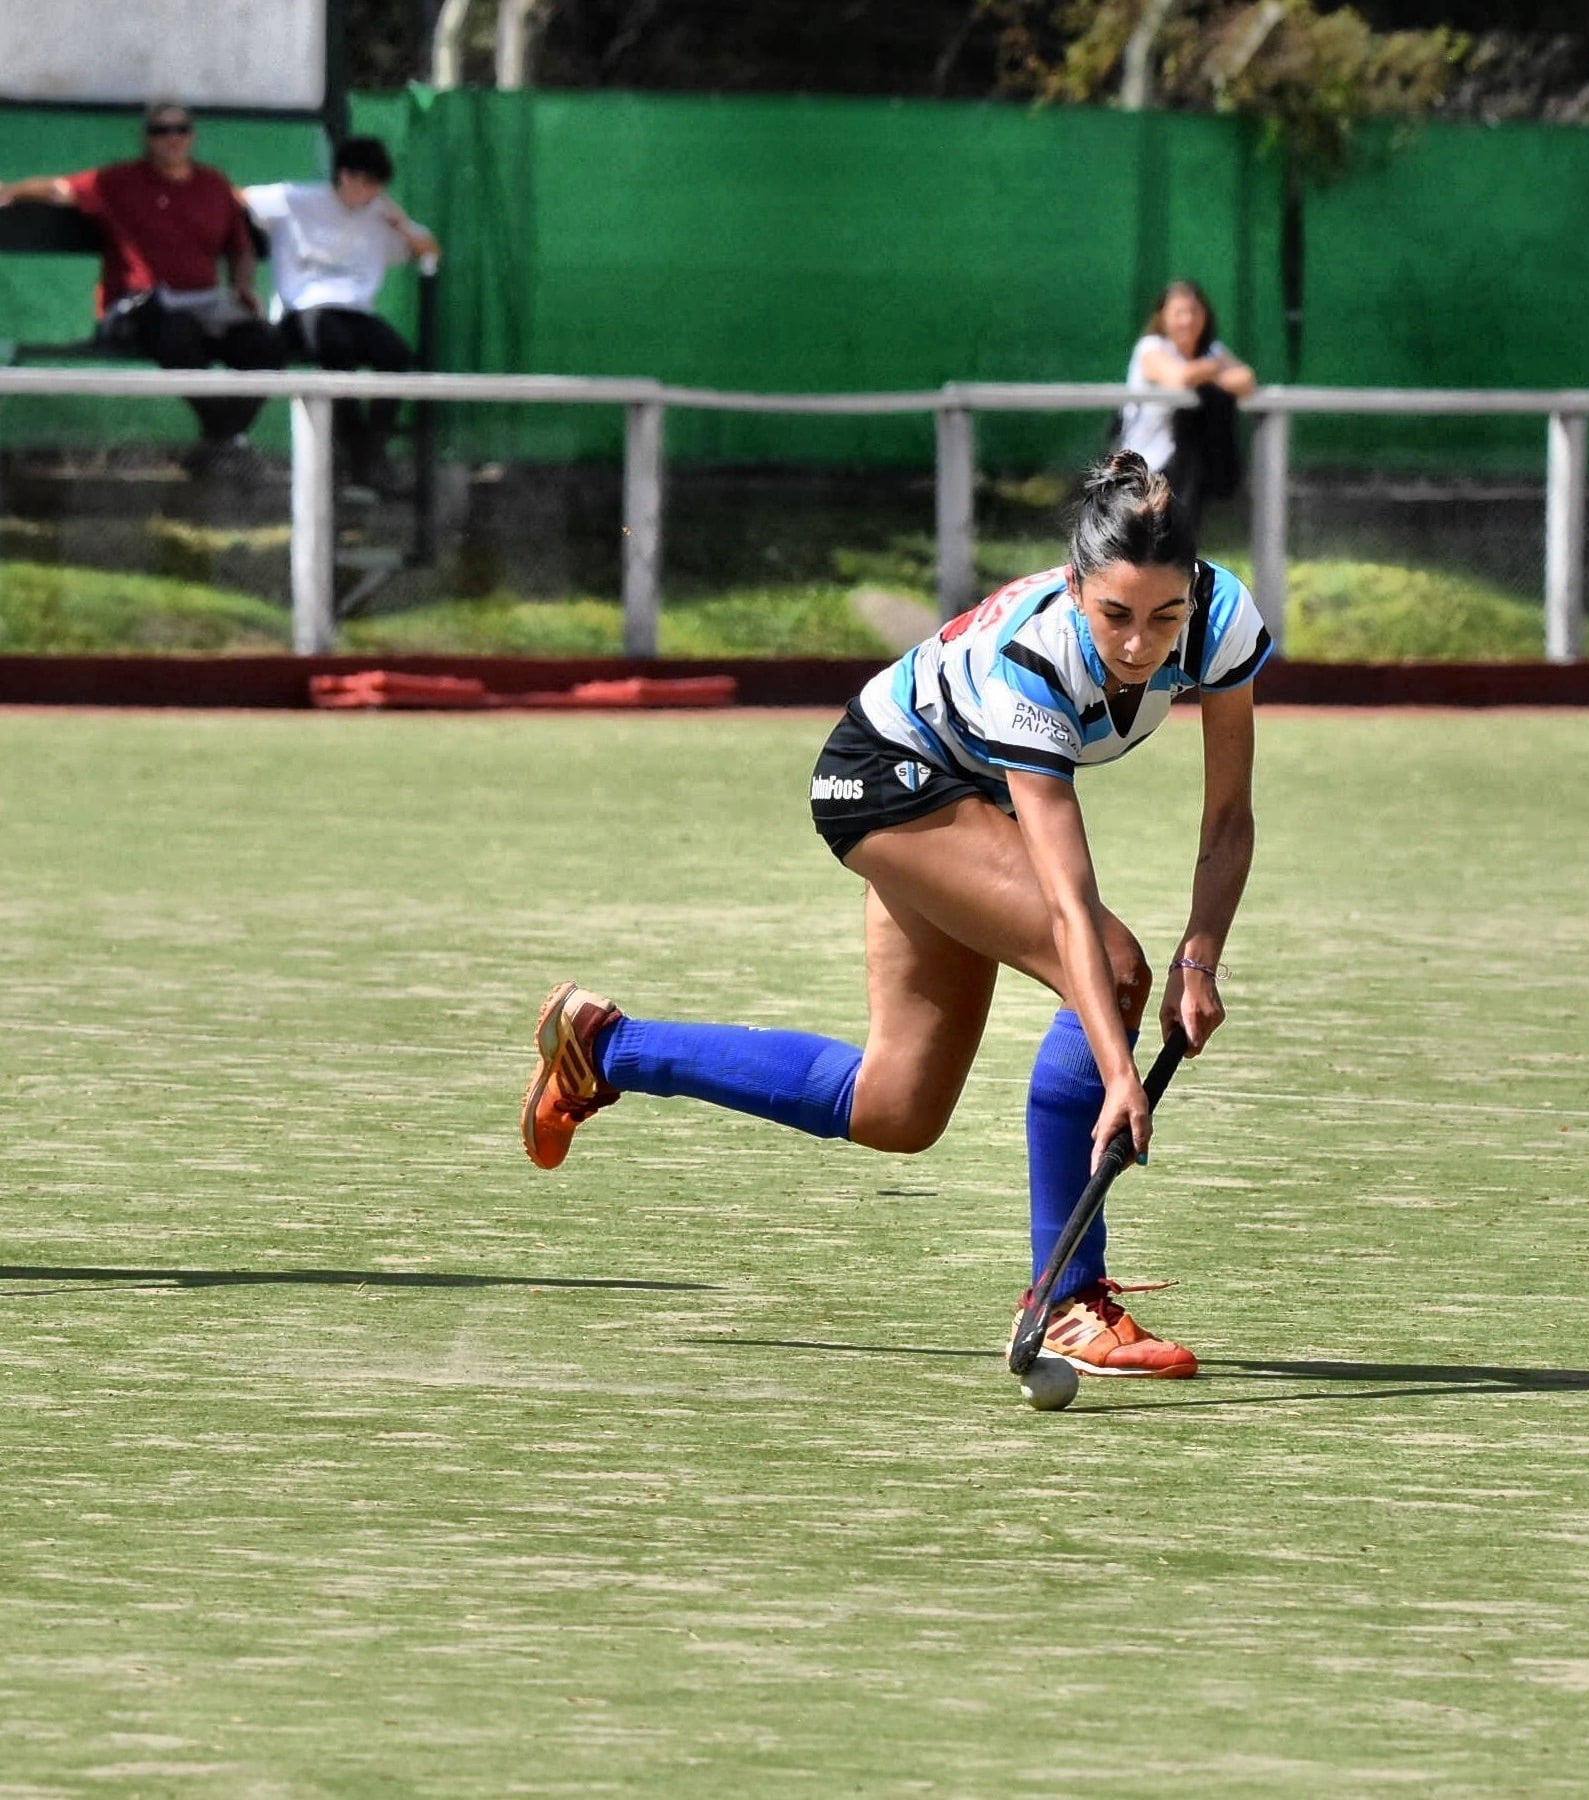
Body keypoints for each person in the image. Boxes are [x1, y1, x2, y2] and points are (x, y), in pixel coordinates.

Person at [520, 452, 1274, 1379]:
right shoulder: (1034, 660)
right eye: (1115, 615)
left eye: (1164, 617)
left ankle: (605, 1048)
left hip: (966, 787)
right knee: (1112, 973)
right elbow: (1067, 899)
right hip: (885, 778)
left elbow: (1228, 815)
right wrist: (1119, 1072)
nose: (1139, 645)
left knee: (897, 1109)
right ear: (1076, 588)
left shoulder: (1221, 618)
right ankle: (1068, 1298)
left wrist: (1201, 959)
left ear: (1193, 592)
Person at [0, 101, 286, 476]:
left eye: (180, 129)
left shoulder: (213, 184)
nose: (172, 138)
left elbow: (241, 249)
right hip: (138, 307)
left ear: (192, 136)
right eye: (161, 131)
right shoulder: (119, 181)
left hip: (206, 306)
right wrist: (13, 190)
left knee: (267, 343)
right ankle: (228, 440)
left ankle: (220, 440)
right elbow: (59, 189)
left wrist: (243, 290)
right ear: (147, 138)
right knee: (178, 333)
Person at [241, 137, 440, 492]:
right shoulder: (296, 199)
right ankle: (359, 453)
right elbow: (235, 198)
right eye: (367, 182)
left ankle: (374, 448)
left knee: (394, 354)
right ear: (344, 176)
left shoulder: (381, 215)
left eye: (379, 185)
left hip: (355, 310)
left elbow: (430, 250)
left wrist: (401, 223)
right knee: (336, 347)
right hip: (303, 309)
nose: (373, 192)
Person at [1117, 280, 1257, 534]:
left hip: (1188, 464)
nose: (1188, 320)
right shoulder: (1151, 347)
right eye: (1179, 313)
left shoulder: (1211, 350)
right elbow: (1177, 378)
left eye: (1194, 312)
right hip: (1145, 464)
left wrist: (1205, 372)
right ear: (1162, 317)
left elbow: (1245, 380)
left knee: (1181, 537)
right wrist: (1214, 369)